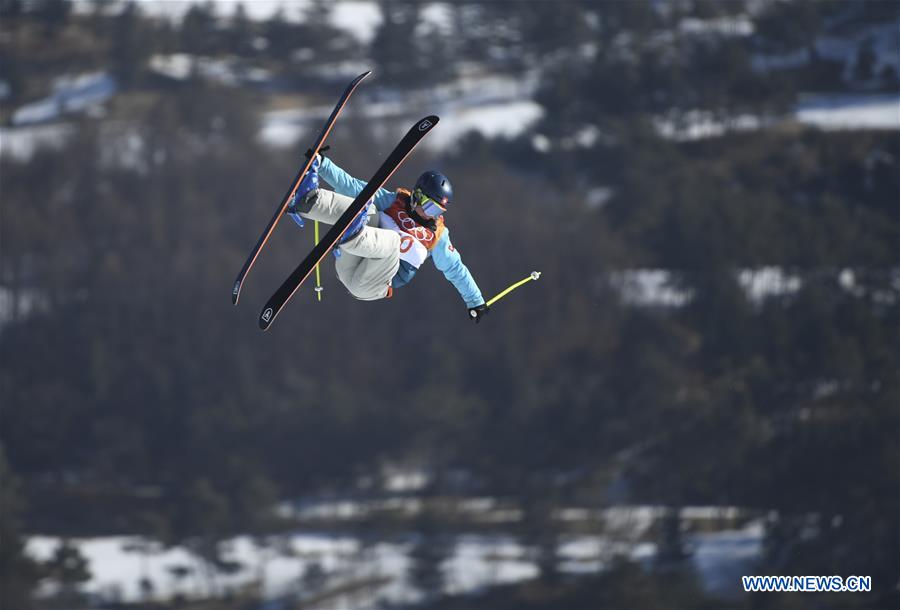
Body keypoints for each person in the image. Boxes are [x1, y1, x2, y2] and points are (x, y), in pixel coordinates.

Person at [285, 153, 490, 323]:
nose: (432, 214)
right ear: (417, 195)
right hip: (349, 263)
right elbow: (353, 186)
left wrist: (475, 301)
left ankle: (352, 233)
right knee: (367, 205)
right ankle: (308, 202)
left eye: (438, 210)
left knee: (393, 242)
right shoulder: (393, 201)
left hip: (371, 284)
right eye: (430, 206)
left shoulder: (437, 235)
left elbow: (455, 269)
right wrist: (322, 163)